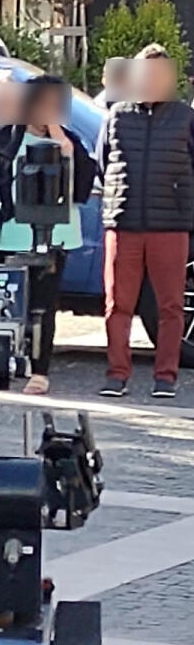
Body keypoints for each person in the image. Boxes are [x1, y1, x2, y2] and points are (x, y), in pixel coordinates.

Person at [0, 75, 96, 395]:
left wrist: (61, 142)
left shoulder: (72, 143)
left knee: (42, 307)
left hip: (51, 237)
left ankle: (39, 371)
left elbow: (81, 188)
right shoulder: (2, 137)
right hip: (0, 235)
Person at [95, 44, 193, 398]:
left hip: (171, 225)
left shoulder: (185, 117)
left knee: (170, 306)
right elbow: (103, 163)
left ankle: (165, 377)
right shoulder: (117, 115)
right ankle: (116, 375)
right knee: (117, 304)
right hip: (124, 224)